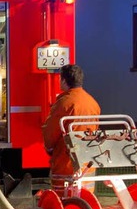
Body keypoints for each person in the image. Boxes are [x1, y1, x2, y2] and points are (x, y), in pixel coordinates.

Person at [42, 64, 101, 193]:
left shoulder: (64, 103)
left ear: (64, 80)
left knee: (65, 205)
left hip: (66, 164)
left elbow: (50, 132)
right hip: (88, 165)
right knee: (85, 204)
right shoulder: (92, 102)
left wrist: (49, 148)